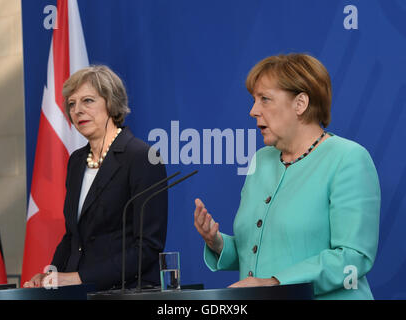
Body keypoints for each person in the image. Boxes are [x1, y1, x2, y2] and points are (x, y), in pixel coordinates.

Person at [194, 53, 381, 299]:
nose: (252, 111)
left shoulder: (348, 159)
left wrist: (275, 283)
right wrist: (218, 243)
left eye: (265, 99)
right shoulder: (261, 161)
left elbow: (353, 259)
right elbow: (259, 249)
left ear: (300, 104)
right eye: (254, 99)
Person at [24, 65, 168, 291]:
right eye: (72, 104)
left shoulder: (142, 157)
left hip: (127, 291)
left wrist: (79, 278)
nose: (77, 110)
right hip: (80, 292)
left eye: (88, 101)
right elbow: (74, 236)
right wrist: (50, 276)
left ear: (111, 103)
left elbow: (147, 247)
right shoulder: (77, 161)